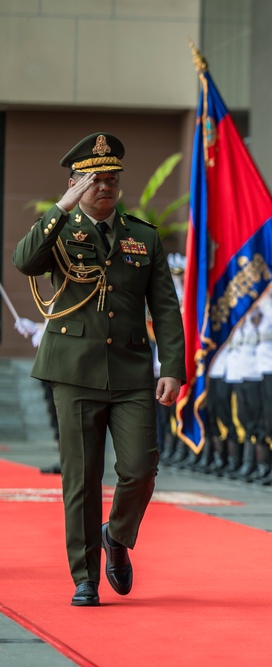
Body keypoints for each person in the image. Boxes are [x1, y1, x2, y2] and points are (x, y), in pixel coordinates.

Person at [12, 132, 185, 607]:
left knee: (140, 469)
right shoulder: (58, 229)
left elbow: (165, 309)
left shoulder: (142, 236)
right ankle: (85, 576)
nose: (105, 187)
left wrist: (172, 366)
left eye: (111, 180)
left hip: (130, 370)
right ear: (75, 184)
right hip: (73, 369)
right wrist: (61, 208)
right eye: (94, 181)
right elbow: (24, 261)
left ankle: (118, 534)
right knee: (81, 478)